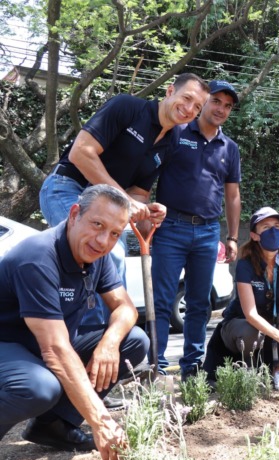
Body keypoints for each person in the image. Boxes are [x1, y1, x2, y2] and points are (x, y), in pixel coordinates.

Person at [38, 73, 210, 325]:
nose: (189, 109)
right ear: (170, 91)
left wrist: (148, 215)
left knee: (109, 257)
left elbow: (138, 193)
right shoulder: (127, 107)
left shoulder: (172, 142)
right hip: (66, 188)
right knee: (107, 252)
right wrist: (125, 201)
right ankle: (92, 336)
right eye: (186, 98)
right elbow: (81, 153)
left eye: (197, 107)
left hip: (107, 207)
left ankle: (111, 340)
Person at [0, 185, 149, 460]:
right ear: (74, 214)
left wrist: (109, 343)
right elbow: (55, 349)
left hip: (39, 349)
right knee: (38, 387)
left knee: (134, 340)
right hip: (8, 347)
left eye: (115, 234)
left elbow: (126, 307)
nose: (103, 240)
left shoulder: (97, 256)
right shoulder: (38, 257)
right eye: (97, 224)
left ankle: (53, 426)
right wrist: (101, 421)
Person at [150, 79, 242, 380]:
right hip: (169, 228)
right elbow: (148, 170)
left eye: (227, 106)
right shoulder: (176, 131)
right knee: (162, 300)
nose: (221, 109)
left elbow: (232, 195)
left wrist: (231, 237)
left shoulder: (230, 148)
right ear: (204, 101)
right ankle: (157, 368)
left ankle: (193, 368)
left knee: (200, 304)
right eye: (216, 101)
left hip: (207, 233)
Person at [210, 207, 279, 390]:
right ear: (255, 235)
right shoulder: (245, 264)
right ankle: (249, 370)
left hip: (271, 322)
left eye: (277, 226)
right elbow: (250, 314)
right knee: (251, 329)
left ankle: (278, 370)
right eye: (266, 227)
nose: (273, 231)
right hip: (240, 325)